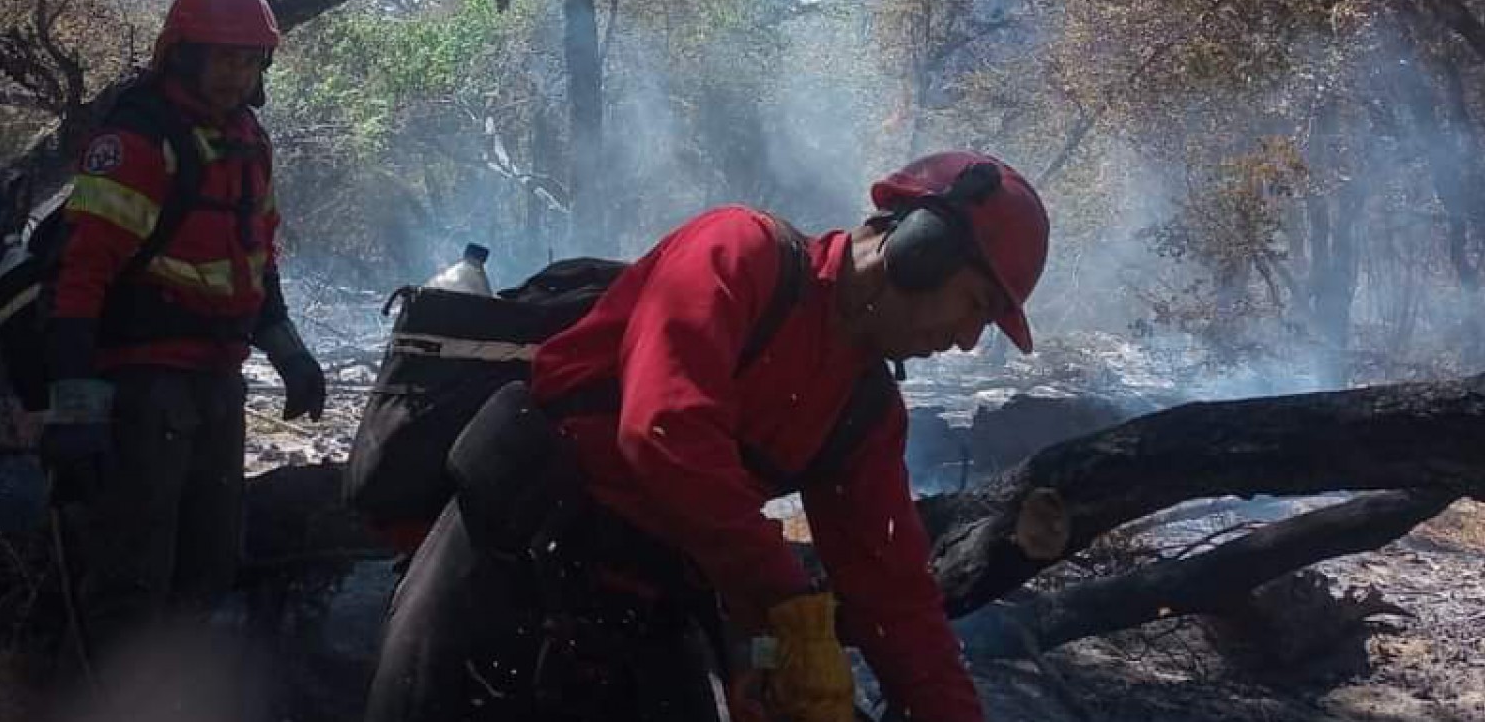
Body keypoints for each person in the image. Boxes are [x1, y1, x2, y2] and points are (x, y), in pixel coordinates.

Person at [365, 150, 1049, 722]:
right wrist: (786, 602)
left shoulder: (865, 413)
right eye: (975, 306)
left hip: (650, 608)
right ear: (922, 248)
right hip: (500, 561)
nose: (965, 339)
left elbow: (895, 599)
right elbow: (664, 434)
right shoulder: (738, 252)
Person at [39, 0, 327, 660]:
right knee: (133, 570)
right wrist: (76, 414)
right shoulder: (140, 139)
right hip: (143, 386)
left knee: (211, 560)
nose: (237, 73)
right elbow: (81, 281)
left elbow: (257, 258)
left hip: (218, 381)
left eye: (250, 59)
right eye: (224, 57)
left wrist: (289, 352)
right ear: (184, 55)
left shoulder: (248, 141)